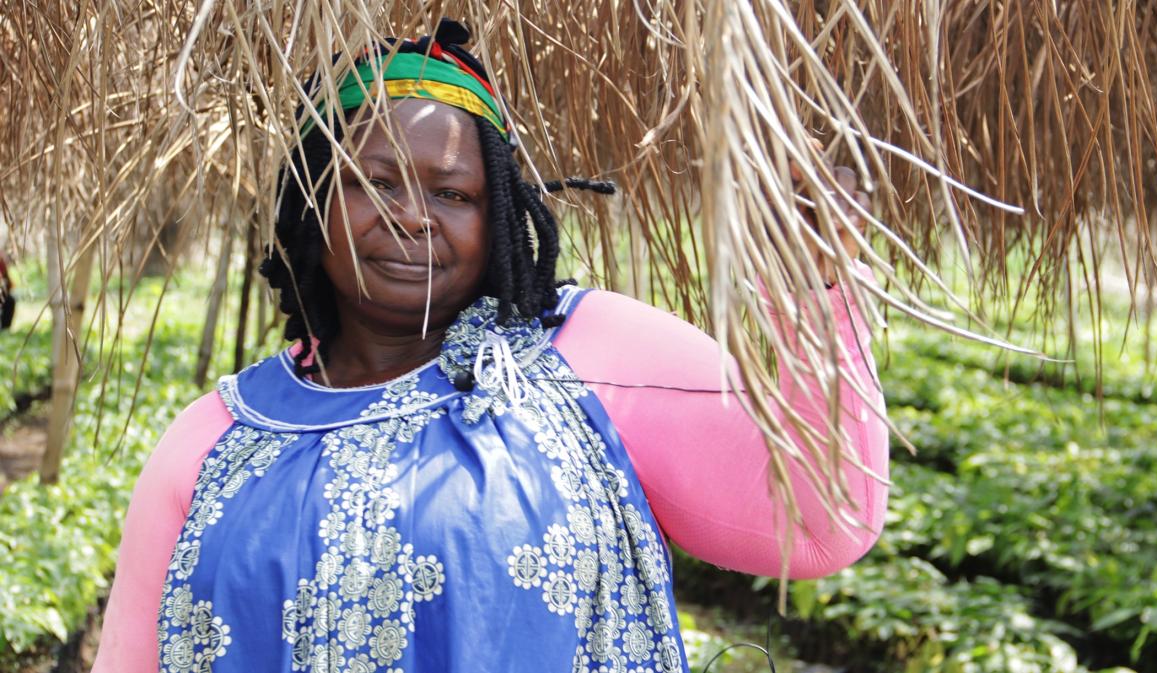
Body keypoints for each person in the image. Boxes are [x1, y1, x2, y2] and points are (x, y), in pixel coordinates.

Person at [93, 20, 888, 673]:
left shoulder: (587, 353)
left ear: (499, 215)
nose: (412, 217)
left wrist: (815, 295)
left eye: (453, 192)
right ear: (310, 203)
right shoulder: (216, 437)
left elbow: (819, 520)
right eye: (375, 183)